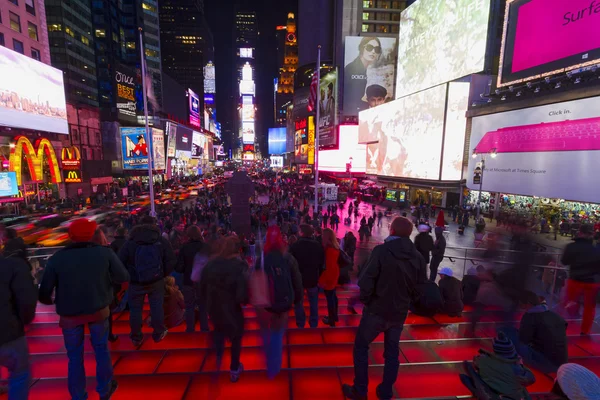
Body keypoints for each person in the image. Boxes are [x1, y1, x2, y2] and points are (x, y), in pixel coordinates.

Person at [39, 218, 129, 400]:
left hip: (69, 315)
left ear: (70, 236)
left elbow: (44, 291)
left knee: (74, 357)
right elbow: (123, 276)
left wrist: (51, 300)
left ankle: (78, 395)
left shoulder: (57, 258)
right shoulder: (105, 253)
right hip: (98, 309)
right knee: (101, 349)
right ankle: (105, 389)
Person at [342, 216, 425, 400]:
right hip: (399, 313)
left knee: (361, 347)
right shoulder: (418, 257)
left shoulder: (381, 251)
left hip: (376, 310)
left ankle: (360, 390)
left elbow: (366, 280)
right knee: (392, 352)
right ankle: (386, 391)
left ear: (392, 231)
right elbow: (421, 287)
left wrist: (367, 301)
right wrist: (407, 302)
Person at [119, 215, 176, 346]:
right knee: (157, 307)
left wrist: (130, 275)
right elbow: (171, 259)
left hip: (136, 281)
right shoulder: (160, 240)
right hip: (156, 280)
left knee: (135, 310)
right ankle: (158, 332)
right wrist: (162, 273)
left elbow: (120, 261)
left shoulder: (130, 242)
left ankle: (136, 337)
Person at [199, 236, 248, 382]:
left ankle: (218, 358)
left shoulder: (210, 264)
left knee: (219, 329)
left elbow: (202, 286)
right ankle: (234, 369)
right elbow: (242, 294)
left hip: (213, 305)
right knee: (236, 336)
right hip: (232, 306)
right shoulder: (239, 265)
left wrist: (205, 302)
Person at [256, 226, 303, 378]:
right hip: (283, 302)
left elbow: (254, 280)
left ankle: (265, 356)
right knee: (277, 333)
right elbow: (297, 280)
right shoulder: (288, 258)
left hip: (265, 302)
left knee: (265, 330)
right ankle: (274, 367)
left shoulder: (261, 258)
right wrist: (297, 299)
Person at [499, 291, 568, 374]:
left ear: (527, 303)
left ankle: (510, 364)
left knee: (506, 332)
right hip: (561, 363)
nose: (520, 306)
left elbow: (524, 339)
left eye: (521, 304)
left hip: (545, 363)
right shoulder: (555, 316)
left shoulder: (529, 317)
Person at [0, 255, 37, 400]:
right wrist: (25, 320)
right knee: (20, 372)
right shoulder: (12, 265)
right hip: (7, 332)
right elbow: (26, 300)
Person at [460, 332, 536, 400]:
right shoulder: (518, 369)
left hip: (492, 393)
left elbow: (476, 363)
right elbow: (531, 379)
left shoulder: (483, 360)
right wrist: (521, 364)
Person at [560, 224, 600, 335]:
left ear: (580, 232)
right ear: (592, 234)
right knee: (589, 307)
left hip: (575, 280)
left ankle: (570, 322)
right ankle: (585, 330)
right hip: (592, 282)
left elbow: (564, 261)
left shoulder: (571, 247)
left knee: (570, 302)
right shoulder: (596, 249)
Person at [289, 224, 325, 328]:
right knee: (313, 301)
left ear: (302, 233)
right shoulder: (317, 245)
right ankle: (313, 323)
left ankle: (301, 323)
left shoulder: (295, 246)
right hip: (313, 278)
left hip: (298, 279)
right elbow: (321, 263)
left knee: (298, 302)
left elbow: (291, 263)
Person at [175, 225, 210, 332]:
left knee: (189, 306)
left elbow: (179, 268)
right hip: (202, 281)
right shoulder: (206, 247)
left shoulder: (184, 248)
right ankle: (204, 329)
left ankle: (190, 329)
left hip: (188, 280)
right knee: (203, 306)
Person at [343, 36, 382, 113]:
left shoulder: (364, 68)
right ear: (361, 48)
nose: (373, 51)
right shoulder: (352, 68)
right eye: (369, 48)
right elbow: (350, 99)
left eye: (377, 49)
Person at [320, 228, 341, 327]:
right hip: (334, 275)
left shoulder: (329, 250)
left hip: (330, 278)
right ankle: (334, 316)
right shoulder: (334, 247)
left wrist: (322, 281)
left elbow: (329, 268)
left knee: (330, 299)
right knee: (333, 297)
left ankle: (331, 320)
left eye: (323, 236)